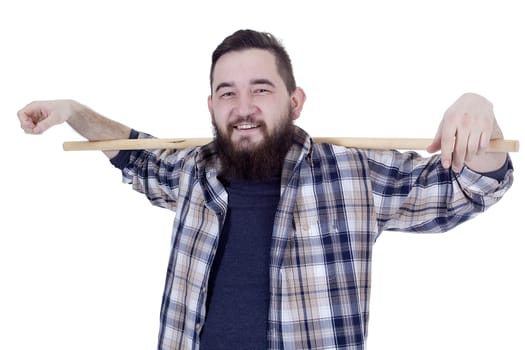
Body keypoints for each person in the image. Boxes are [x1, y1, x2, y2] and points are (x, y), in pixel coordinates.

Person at [18, 29, 513, 350]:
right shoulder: (194, 172)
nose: (244, 106)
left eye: (261, 88)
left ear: (295, 101)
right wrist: (72, 110)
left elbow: (472, 187)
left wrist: (479, 112)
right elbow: (136, 154)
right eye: (227, 93)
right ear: (211, 107)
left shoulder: (352, 175)